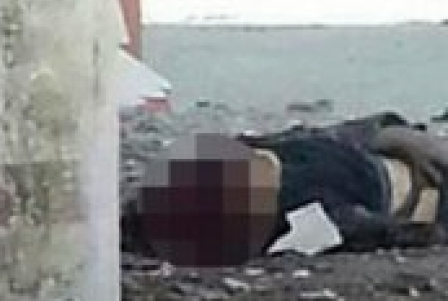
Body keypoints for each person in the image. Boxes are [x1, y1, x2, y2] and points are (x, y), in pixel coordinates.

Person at [125, 112, 448, 267]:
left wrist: (396, 135)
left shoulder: (277, 153)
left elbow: (341, 134)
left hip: (409, 161)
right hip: (423, 196)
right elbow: (370, 230)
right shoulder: (300, 213)